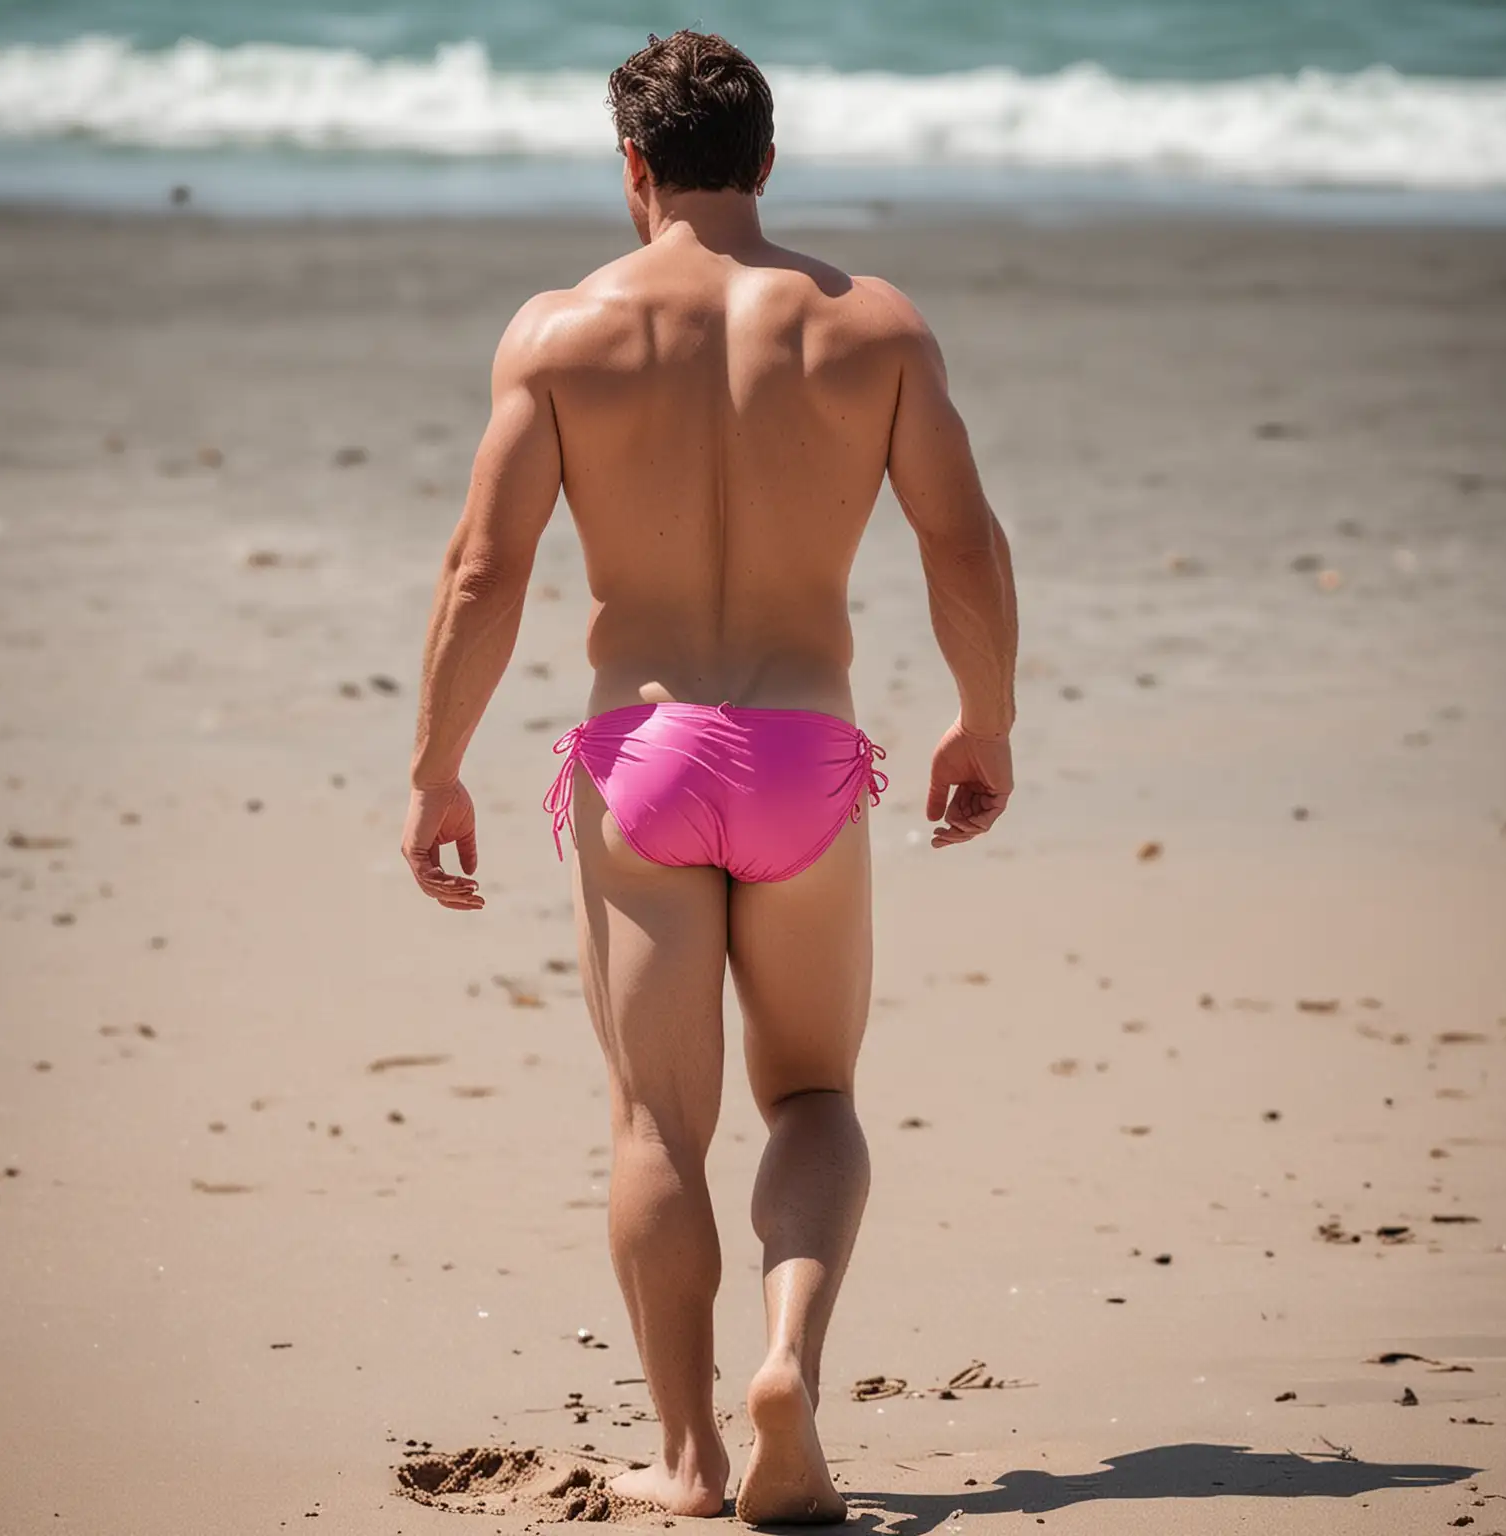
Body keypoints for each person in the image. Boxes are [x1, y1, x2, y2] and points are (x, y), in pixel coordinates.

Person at [400, 29, 1018, 1525]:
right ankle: (789, 1359)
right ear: (767, 163)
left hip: (646, 755)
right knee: (812, 1090)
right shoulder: (873, 326)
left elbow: (487, 569)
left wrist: (436, 771)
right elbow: (962, 542)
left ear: (633, 170)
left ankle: (685, 1460)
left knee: (653, 1127)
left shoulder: (559, 335)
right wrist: (982, 722)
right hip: (810, 750)